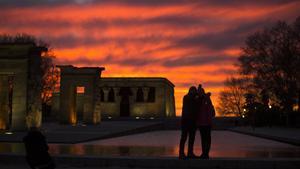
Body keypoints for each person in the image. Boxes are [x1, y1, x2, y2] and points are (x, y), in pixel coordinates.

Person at [179, 86, 198, 159]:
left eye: (194, 91)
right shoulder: (186, 97)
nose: (194, 92)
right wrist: (196, 95)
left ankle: (190, 152)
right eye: (193, 91)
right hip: (186, 121)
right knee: (184, 137)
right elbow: (191, 101)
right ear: (190, 91)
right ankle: (181, 153)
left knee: (191, 138)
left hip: (193, 122)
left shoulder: (195, 98)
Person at [196, 85, 215, 159]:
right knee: (203, 139)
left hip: (206, 122)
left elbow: (210, 110)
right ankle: (204, 153)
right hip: (201, 123)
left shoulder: (206, 99)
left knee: (207, 138)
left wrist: (209, 121)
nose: (199, 93)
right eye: (199, 92)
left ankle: (206, 153)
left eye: (200, 92)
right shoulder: (198, 100)